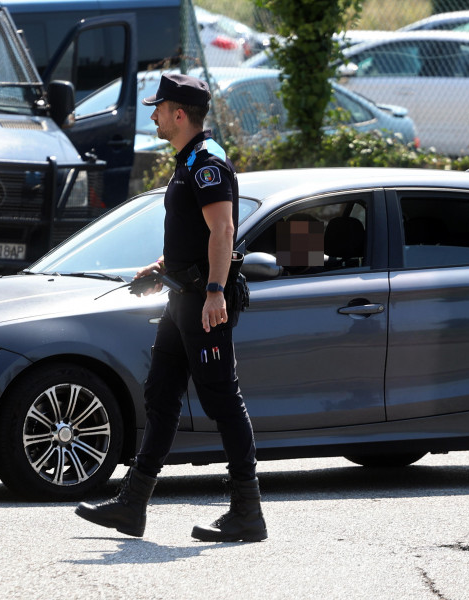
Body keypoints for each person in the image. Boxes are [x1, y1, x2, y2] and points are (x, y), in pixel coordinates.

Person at [74, 73, 266, 543]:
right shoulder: (188, 161)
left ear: (179, 113)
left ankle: (248, 511)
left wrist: (216, 293)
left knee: (223, 401)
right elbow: (194, 236)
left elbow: (222, 231)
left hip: (204, 302)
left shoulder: (207, 163)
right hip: (181, 299)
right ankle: (132, 505)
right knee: (161, 398)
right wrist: (160, 267)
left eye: (158, 108)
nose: (154, 115)